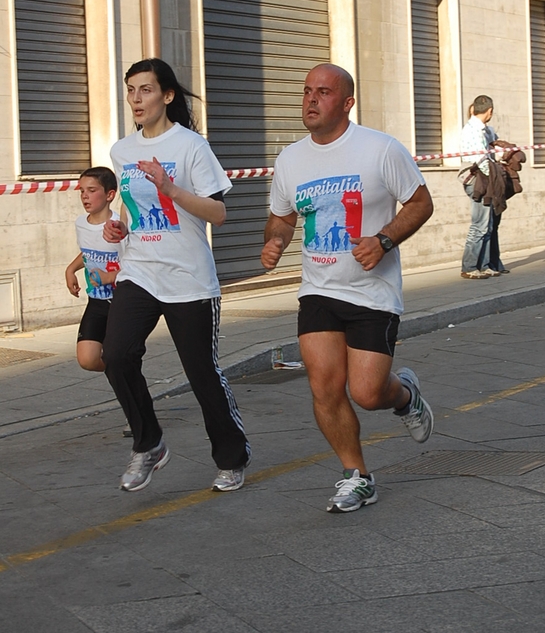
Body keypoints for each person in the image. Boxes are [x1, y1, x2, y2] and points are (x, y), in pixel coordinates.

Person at [261, 63, 434, 513]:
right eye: (306, 92)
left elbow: (421, 201)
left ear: (347, 102)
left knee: (367, 392)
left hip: (371, 292)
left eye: (323, 92)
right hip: (318, 290)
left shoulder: (380, 150)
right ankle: (356, 476)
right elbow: (281, 216)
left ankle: (405, 395)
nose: (311, 100)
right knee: (324, 388)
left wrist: (384, 240)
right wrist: (276, 241)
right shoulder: (291, 159)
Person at [102, 58, 250, 493]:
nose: (136, 99)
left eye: (145, 90)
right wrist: (120, 227)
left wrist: (170, 188)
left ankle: (231, 456)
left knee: (201, 372)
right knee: (117, 355)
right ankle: (149, 444)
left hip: (187, 276)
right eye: (131, 90)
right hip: (139, 271)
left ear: (167, 96)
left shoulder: (191, 146)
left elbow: (218, 213)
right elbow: (134, 208)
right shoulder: (122, 151)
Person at [65, 167, 121, 373]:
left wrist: (109, 276)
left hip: (122, 302)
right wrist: (71, 269)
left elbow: (137, 263)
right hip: (96, 301)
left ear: (110, 195)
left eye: (91, 190)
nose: (85, 196)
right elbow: (88, 253)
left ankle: (125, 373)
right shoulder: (81, 223)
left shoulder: (120, 225)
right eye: (81, 191)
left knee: (119, 356)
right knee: (87, 359)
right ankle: (123, 371)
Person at [459, 95, 508, 279]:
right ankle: (470, 266)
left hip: (486, 179)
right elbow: (482, 160)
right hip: (479, 180)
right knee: (479, 225)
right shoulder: (472, 131)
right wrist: (495, 174)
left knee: (488, 225)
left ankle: (485, 265)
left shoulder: (486, 130)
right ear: (490, 111)